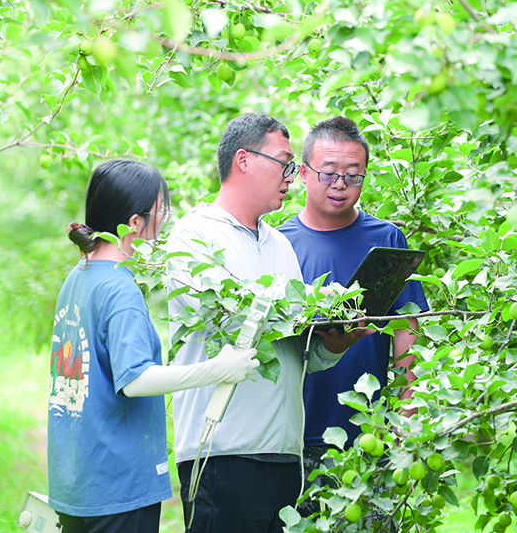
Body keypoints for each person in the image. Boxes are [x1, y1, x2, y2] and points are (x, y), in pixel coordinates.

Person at [165, 113, 371, 533]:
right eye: (284, 163)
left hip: (284, 455)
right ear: (244, 160)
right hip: (224, 452)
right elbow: (233, 317)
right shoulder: (194, 235)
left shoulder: (279, 245)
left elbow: (294, 353)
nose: (291, 177)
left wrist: (333, 343)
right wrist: (307, 308)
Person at [47, 159, 260, 533]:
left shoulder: (79, 276)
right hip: (119, 484)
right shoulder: (120, 289)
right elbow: (136, 380)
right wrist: (218, 369)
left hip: (75, 480)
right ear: (134, 222)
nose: (164, 222)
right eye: (160, 211)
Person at [277, 116, 429, 513]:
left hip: (369, 431)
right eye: (329, 173)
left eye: (353, 175)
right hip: (295, 434)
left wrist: (407, 410)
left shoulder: (386, 239)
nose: (340, 185)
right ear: (304, 173)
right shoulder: (278, 243)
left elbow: (407, 330)